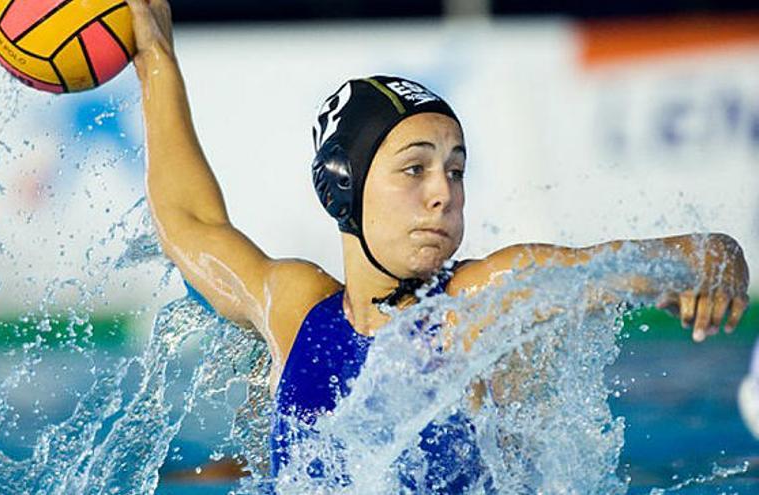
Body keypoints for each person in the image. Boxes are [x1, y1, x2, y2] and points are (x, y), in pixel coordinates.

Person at [125, 0, 752, 490]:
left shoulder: (478, 299)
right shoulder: (293, 310)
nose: (442, 194)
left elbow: (646, 261)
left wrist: (712, 260)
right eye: (415, 169)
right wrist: (155, 57)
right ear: (343, 184)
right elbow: (191, 224)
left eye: (456, 170)